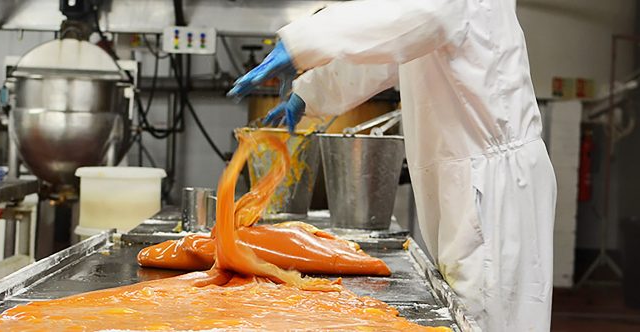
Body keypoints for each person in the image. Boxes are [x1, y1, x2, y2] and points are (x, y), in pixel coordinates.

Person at [228, 0, 557, 331]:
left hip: (494, 184)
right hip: (469, 175)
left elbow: (415, 14)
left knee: (486, 317)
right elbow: (388, 50)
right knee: (471, 310)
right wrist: (310, 94)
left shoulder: (436, 8)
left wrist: (303, 41)